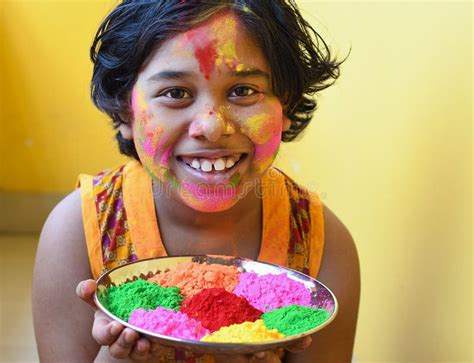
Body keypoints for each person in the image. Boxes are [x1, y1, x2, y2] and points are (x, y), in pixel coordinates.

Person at [32, 1, 360, 362]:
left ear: (286, 105)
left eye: (243, 91)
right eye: (175, 93)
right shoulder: (79, 229)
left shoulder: (321, 242)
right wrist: (120, 355)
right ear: (125, 111)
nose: (211, 126)